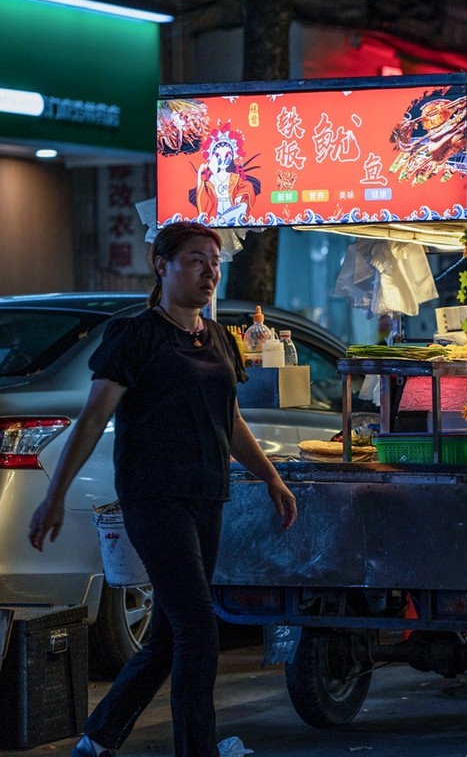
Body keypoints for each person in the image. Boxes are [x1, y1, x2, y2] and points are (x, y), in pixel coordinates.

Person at [27, 221, 298, 757]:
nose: (209, 272)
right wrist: (55, 494)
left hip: (207, 494)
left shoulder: (219, 338)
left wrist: (271, 477)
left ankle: (98, 738)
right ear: (162, 265)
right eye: (196, 259)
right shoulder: (136, 336)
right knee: (199, 629)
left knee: (169, 636)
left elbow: (232, 420)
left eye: (214, 262)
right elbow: (91, 418)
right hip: (154, 496)